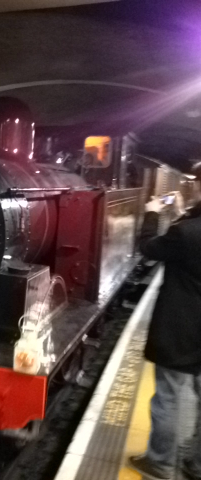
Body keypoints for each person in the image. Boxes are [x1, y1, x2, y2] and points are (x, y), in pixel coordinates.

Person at [129, 163, 201, 480]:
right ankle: (196, 464)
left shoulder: (185, 233)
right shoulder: (189, 228)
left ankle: (160, 463)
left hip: (183, 327)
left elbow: (149, 247)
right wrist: (187, 211)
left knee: (169, 396)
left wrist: (151, 213)